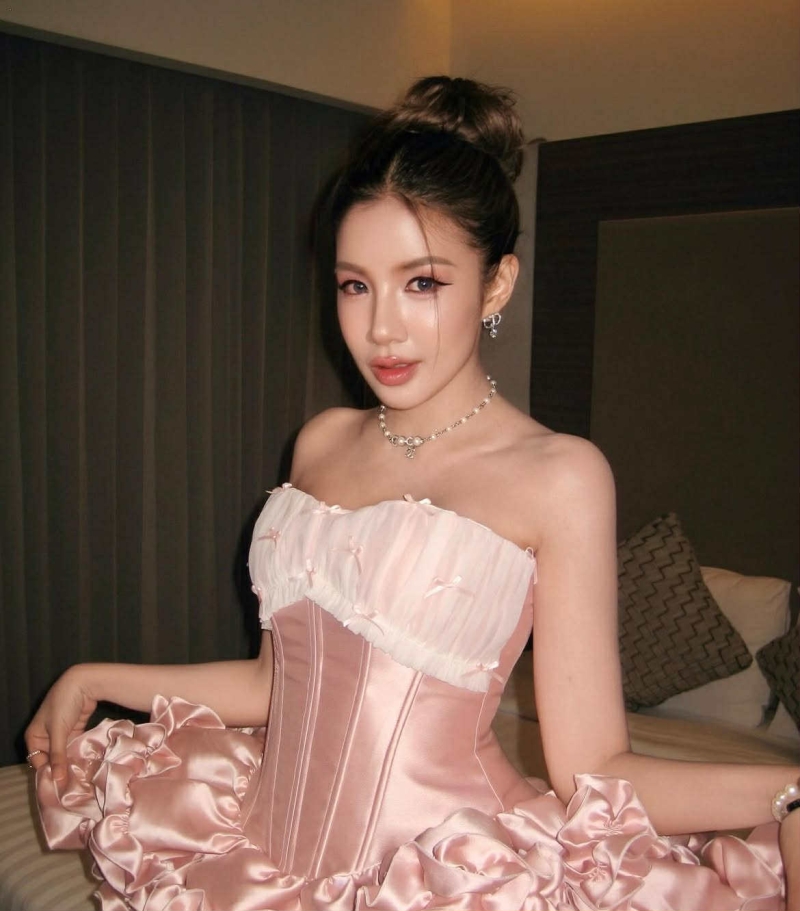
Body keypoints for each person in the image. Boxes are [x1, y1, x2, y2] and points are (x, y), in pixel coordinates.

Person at [25, 76, 799, 911]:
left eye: (422, 283)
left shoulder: (559, 474)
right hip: (257, 857)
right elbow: (275, 683)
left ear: (496, 284)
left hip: (443, 880)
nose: (381, 329)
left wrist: (786, 786)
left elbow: (594, 770)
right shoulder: (321, 442)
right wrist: (93, 676)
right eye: (355, 284)